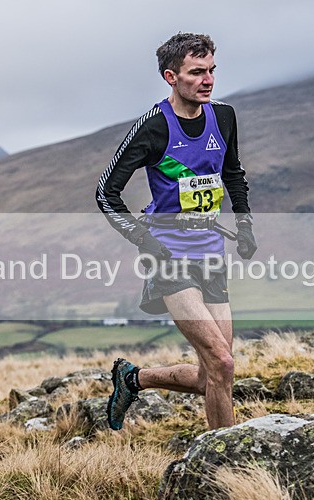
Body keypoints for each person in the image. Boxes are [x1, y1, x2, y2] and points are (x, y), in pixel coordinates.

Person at [96, 33, 257, 431]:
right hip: (168, 253)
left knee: (212, 375)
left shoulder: (223, 117)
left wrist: (245, 223)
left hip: (211, 250)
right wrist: (146, 242)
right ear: (171, 76)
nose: (208, 80)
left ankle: (134, 379)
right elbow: (106, 193)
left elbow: (232, 173)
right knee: (222, 362)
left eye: (212, 71)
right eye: (196, 72)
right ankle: (224, 463)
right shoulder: (154, 127)